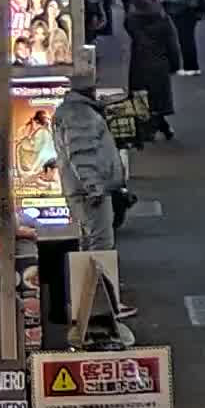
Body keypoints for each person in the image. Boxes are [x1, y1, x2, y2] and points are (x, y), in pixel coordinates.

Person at [50, 73, 131, 318]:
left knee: (89, 242)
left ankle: (89, 302)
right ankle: (103, 305)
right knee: (100, 244)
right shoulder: (79, 114)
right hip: (89, 191)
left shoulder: (71, 111)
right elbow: (82, 153)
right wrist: (94, 186)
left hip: (80, 189)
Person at [123, 0, 180, 142]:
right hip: (159, 65)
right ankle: (157, 126)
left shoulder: (133, 21)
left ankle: (149, 127)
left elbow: (127, 23)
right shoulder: (163, 20)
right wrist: (175, 64)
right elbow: (172, 45)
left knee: (141, 96)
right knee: (158, 99)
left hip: (139, 64)